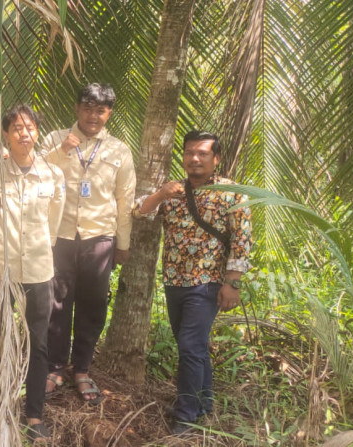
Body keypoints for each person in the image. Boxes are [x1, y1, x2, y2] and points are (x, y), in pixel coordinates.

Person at [133, 131, 252, 434]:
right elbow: (139, 212)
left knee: (189, 346)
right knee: (194, 347)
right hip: (174, 281)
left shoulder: (232, 193)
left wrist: (232, 284)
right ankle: (204, 403)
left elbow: (241, 241)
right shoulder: (173, 191)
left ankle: (185, 417)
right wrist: (160, 194)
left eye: (202, 153)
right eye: (189, 153)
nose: (195, 158)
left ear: (217, 159)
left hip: (208, 282)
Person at [0, 105, 65, 442]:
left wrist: (39, 251)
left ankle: (34, 414)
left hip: (38, 274)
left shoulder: (52, 175)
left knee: (37, 347)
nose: (24, 133)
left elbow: (53, 224)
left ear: (38, 132)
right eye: (17, 128)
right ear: (6, 135)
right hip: (1, 276)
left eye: (30, 127)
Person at [41, 83, 136, 404]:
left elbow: (125, 198)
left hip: (99, 238)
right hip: (59, 236)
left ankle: (81, 368)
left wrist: (122, 243)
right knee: (56, 302)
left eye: (100, 110)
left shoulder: (119, 151)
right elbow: (34, 175)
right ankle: (54, 366)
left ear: (109, 113)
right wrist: (61, 153)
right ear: (76, 108)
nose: (93, 115)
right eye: (87, 107)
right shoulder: (54, 140)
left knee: (93, 304)